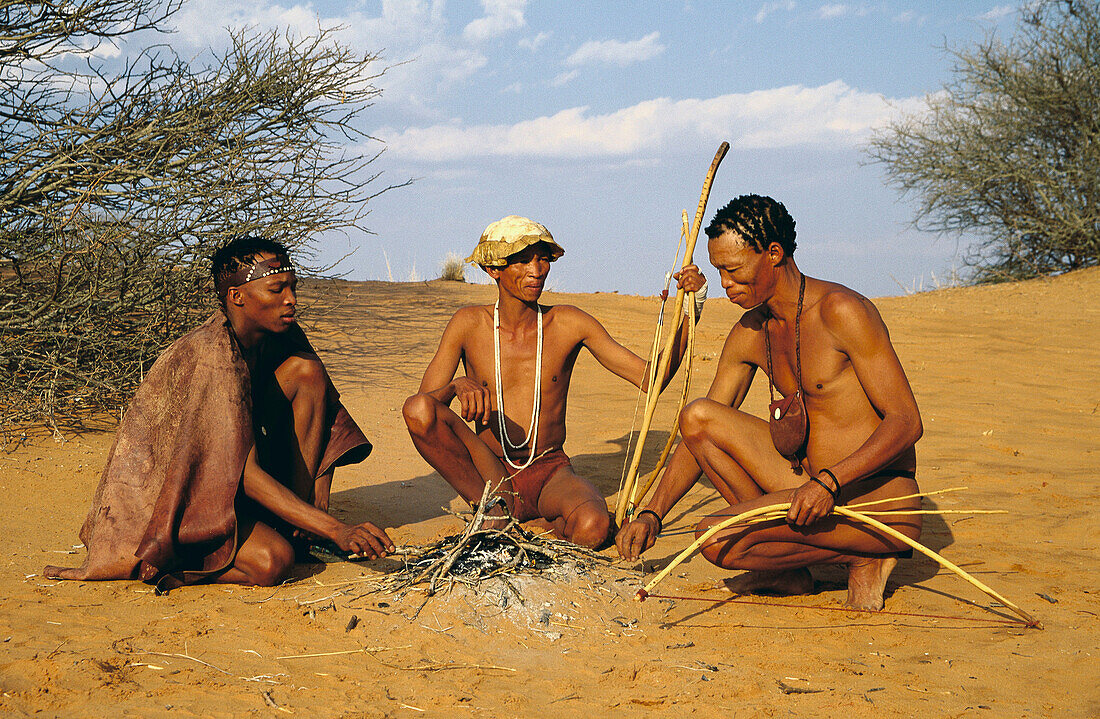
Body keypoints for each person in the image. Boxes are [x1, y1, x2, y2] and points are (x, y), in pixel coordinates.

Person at [616, 195, 923, 611]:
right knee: (698, 417)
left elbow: (905, 422)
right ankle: (788, 569)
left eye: (733, 270)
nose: (724, 283)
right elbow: (697, 434)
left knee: (717, 539)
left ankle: (866, 554)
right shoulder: (750, 332)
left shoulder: (841, 311)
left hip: (877, 502)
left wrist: (829, 482)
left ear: (774, 253)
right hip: (807, 491)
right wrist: (653, 513)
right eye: (719, 271)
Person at [46, 236, 393, 589]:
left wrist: (317, 512)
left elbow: (327, 415)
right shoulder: (214, 355)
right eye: (276, 290)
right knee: (273, 561)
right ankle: (170, 561)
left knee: (308, 372)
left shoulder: (279, 333)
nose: (291, 300)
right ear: (237, 296)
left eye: (292, 287)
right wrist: (334, 530)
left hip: (226, 478)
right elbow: (241, 472)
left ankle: (294, 519)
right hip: (178, 494)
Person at [403, 216, 705, 548]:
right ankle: (495, 511)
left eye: (543, 258)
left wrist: (692, 308)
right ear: (493, 270)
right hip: (489, 470)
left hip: (549, 469)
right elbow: (423, 408)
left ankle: (526, 527)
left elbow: (651, 378)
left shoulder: (568, 322)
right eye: (522, 260)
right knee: (418, 410)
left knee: (593, 527)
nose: (537, 269)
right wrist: (456, 386)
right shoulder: (468, 324)